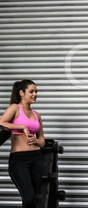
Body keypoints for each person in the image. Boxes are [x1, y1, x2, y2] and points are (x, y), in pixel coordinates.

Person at [0, 80, 45, 208]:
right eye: (31, 91)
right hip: (19, 160)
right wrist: (22, 126)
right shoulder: (15, 108)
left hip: (37, 158)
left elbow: (42, 140)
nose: (35, 94)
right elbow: (2, 123)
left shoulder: (37, 115)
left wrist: (36, 141)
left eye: (36, 91)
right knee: (29, 197)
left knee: (34, 199)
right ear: (21, 92)